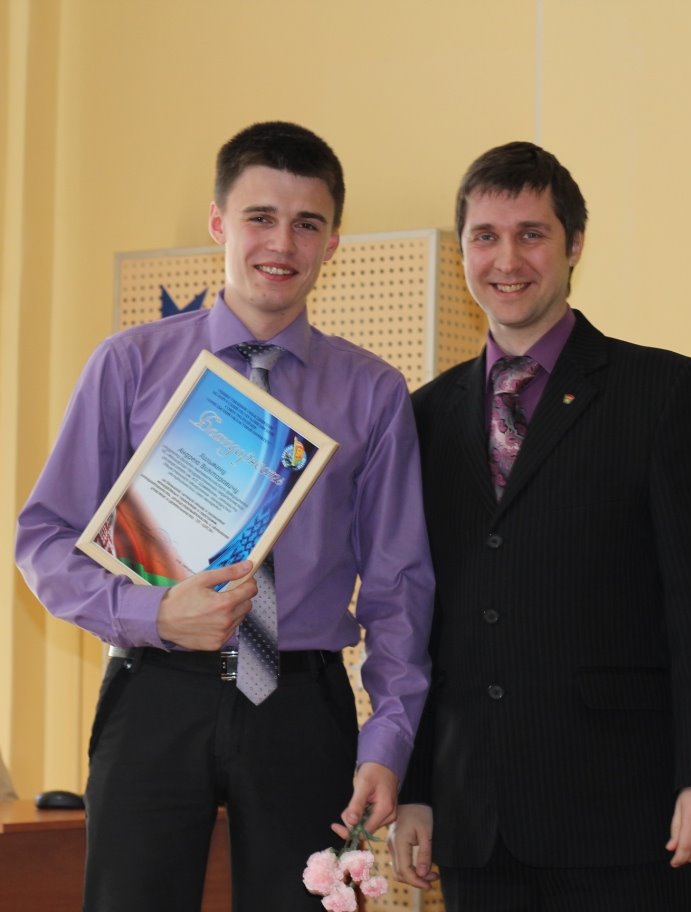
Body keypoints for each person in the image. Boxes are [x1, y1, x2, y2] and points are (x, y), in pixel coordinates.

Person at [16, 121, 434, 911]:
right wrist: (153, 613)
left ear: (333, 243)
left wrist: (388, 740)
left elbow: (399, 588)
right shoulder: (129, 364)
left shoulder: (372, 392)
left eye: (307, 224)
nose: (282, 243)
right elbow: (43, 540)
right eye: (260, 218)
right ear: (219, 223)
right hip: (154, 691)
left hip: (301, 706)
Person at [388, 141, 691, 911]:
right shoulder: (423, 416)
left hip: (626, 813)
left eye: (532, 233)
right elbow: (420, 621)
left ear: (574, 243)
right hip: (476, 819)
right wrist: (416, 787)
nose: (506, 260)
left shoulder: (663, 392)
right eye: (485, 237)